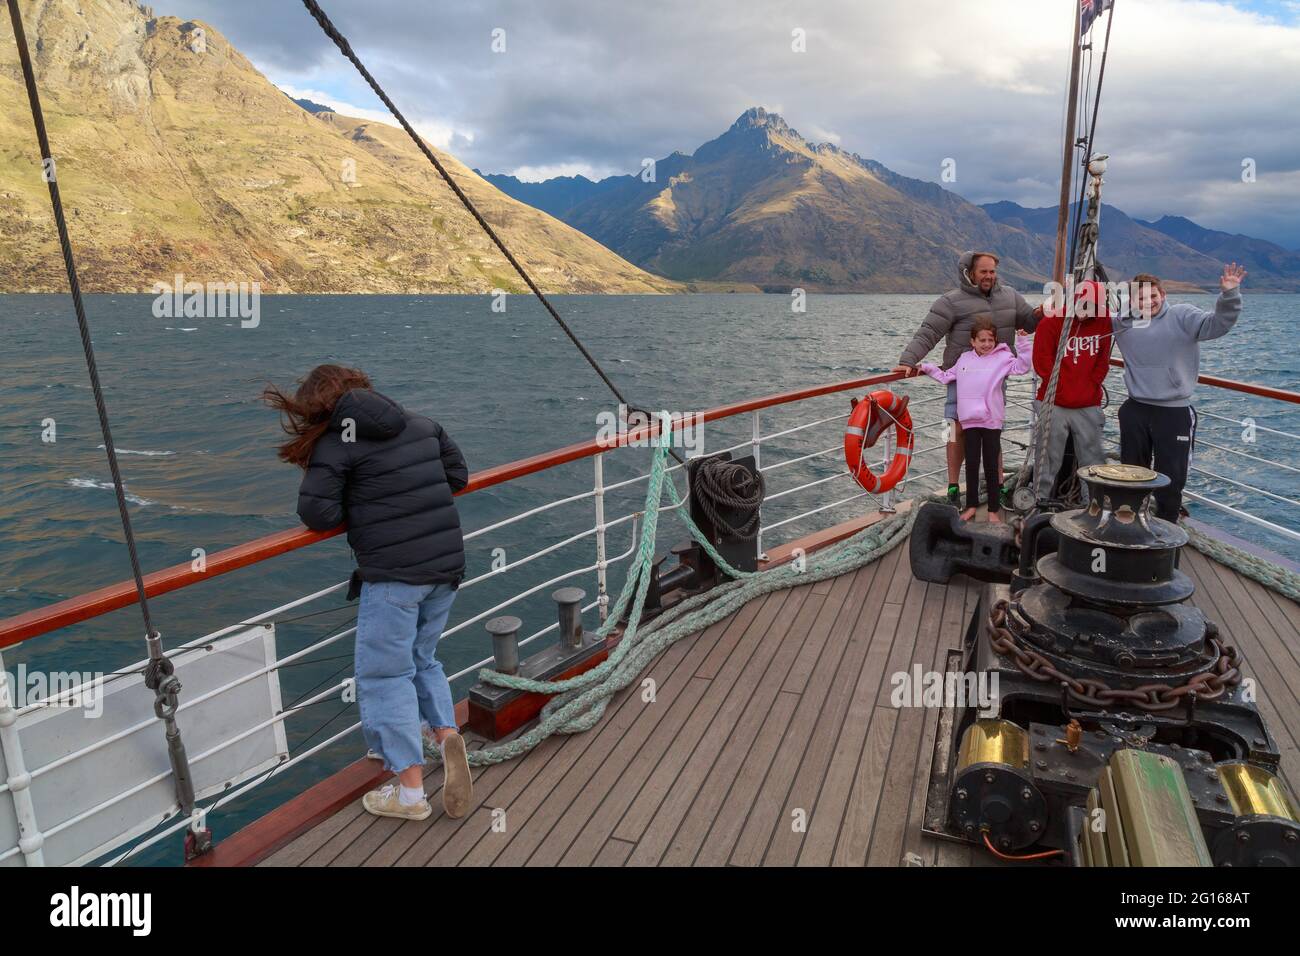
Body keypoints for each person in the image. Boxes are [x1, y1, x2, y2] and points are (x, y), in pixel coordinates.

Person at [264, 364, 474, 821]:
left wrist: (361, 501)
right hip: (446, 567)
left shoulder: (337, 443)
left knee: (385, 677)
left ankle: (411, 793)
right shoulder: (421, 423)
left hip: (396, 577)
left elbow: (317, 514)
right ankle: (444, 732)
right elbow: (457, 476)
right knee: (423, 659)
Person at [893, 250, 1043, 507]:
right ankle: (953, 487)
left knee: (993, 431)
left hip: (994, 379)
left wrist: (1040, 314)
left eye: (992, 271)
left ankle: (996, 485)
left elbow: (1028, 323)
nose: (989, 276)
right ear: (970, 273)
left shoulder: (1010, 296)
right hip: (959, 378)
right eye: (983, 271)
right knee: (955, 430)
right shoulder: (950, 301)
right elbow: (928, 332)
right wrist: (909, 360)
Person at [1113, 264, 1246, 522]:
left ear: (1163, 295)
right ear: (1132, 300)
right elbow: (1089, 321)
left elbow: (1217, 324)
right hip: (1135, 409)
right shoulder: (1123, 322)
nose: (1148, 301)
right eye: (1141, 297)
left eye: (1153, 296)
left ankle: (1167, 527)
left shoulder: (1182, 316)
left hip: (1173, 412)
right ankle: (1131, 523)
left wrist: (1229, 295)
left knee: (1171, 477)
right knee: (1131, 472)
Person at [919, 317, 1033, 522]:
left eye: (991, 340)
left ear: (995, 341)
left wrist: (1023, 343)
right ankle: (971, 505)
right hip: (969, 421)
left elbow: (1023, 367)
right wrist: (926, 367)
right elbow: (946, 376)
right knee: (971, 464)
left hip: (991, 422)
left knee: (990, 465)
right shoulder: (964, 360)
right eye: (982, 340)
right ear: (972, 342)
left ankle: (992, 510)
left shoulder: (1003, 358)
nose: (987, 344)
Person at [1031, 279, 1112, 504]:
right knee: (1048, 457)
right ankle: (1040, 501)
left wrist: (1091, 383)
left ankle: (1093, 503)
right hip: (1054, 402)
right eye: (1082, 303)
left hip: (1088, 402)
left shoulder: (1104, 322)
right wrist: (1066, 389)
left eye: (1091, 305)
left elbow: (1103, 360)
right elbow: (1042, 363)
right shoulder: (1052, 323)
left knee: (1092, 458)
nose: (1085, 309)